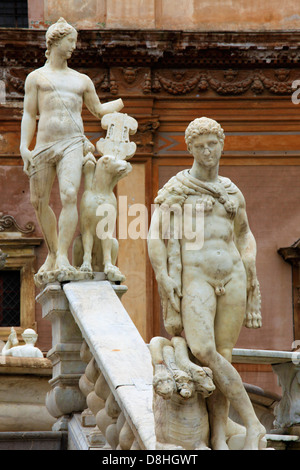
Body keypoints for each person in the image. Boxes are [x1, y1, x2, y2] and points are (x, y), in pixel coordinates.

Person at [147, 117, 265, 450]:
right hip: (195, 277)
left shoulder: (231, 191)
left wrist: (251, 263)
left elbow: (244, 234)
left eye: (212, 144)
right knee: (203, 350)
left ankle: (217, 435)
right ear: (190, 149)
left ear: (222, 145)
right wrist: (162, 274)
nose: (207, 151)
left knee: (224, 352)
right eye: (200, 146)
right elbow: (155, 234)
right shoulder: (177, 188)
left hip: (233, 275)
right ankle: (253, 422)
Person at [20, 18, 124, 278]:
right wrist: (24, 146)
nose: (74, 48)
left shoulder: (82, 81)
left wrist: (121, 102)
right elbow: (28, 113)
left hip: (72, 143)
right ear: (55, 41)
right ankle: (54, 253)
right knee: (39, 201)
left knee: (68, 195)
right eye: (70, 42)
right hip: (43, 144)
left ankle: (64, 256)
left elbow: (98, 110)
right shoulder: (36, 78)